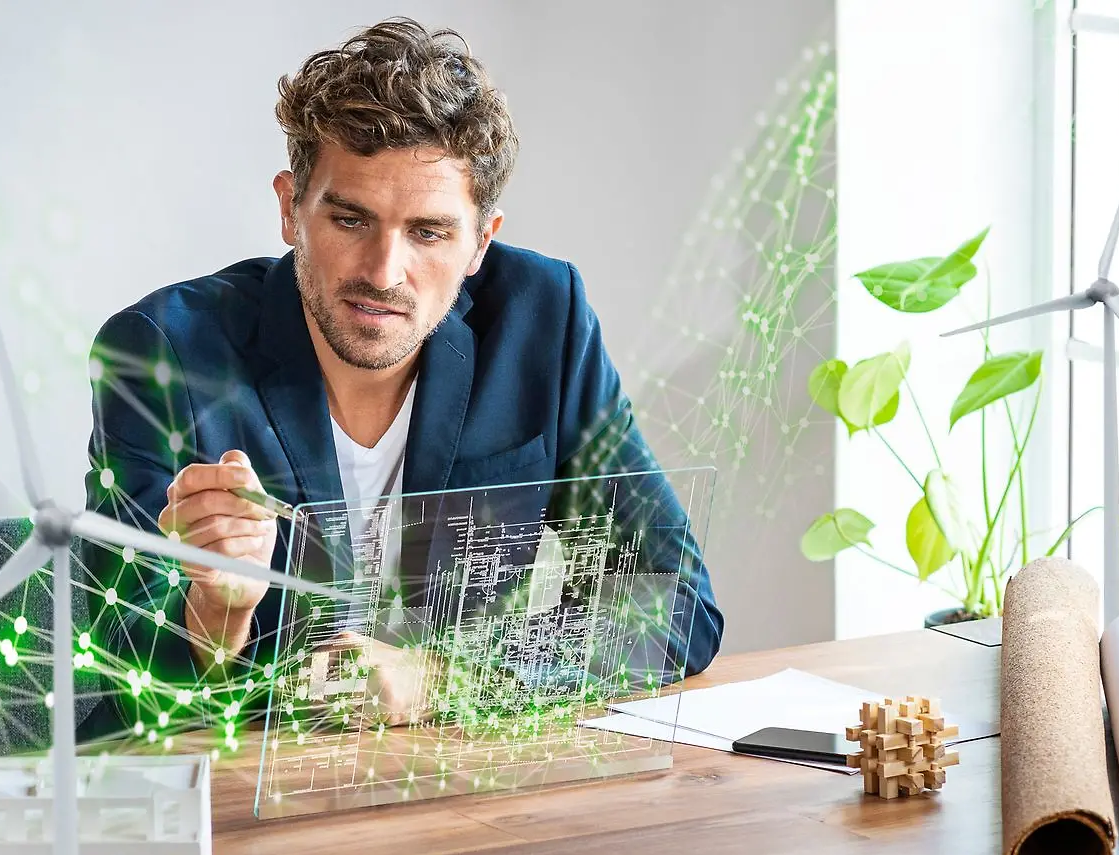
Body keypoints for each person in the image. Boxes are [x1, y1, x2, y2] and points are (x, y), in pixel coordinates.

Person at [82, 17, 722, 735]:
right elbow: (122, 686)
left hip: (450, 789)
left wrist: (445, 678)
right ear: (291, 209)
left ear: (482, 241)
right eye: (351, 220)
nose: (384, 273)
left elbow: (677, 606)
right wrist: (218, 613)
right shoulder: (163, 352)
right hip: (243, 805)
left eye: (428, 232)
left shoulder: (543, 323)